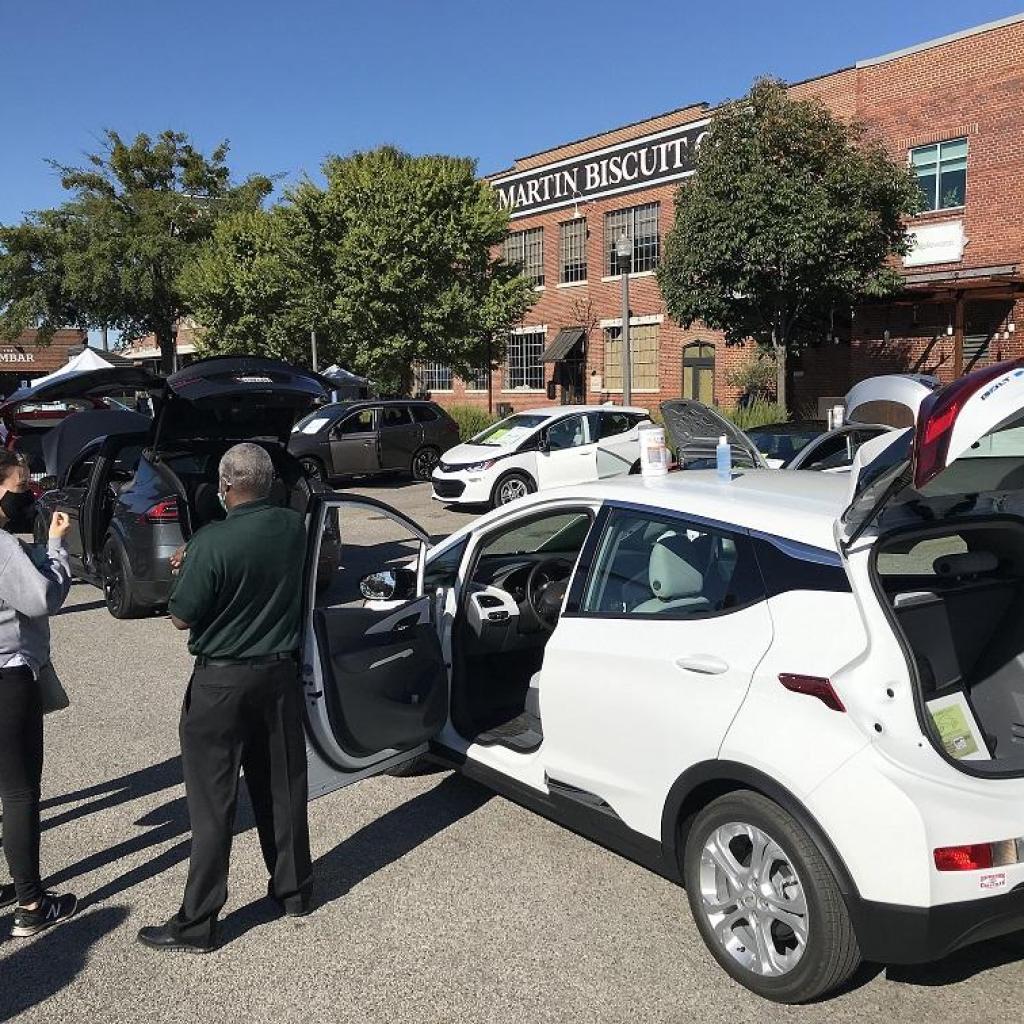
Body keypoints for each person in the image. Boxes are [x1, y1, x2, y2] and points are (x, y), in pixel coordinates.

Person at [138, 443, 313, 954]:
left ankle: (199, 923)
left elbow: (182, 616)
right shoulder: (293, 528)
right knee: (282, 787)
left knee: (213, 804)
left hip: (221, 684)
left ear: (226, 486)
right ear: (267, 482)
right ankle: (294, 891)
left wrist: (185, 568)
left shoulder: (209, 542)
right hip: (279, 678)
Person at [0, 450, 77, 937]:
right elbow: (42, 597)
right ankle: (31, 903)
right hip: (9, 676)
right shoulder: (3, 545)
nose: (29, 492)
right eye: (21, 484)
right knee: (20, 790)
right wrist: (55, 547)